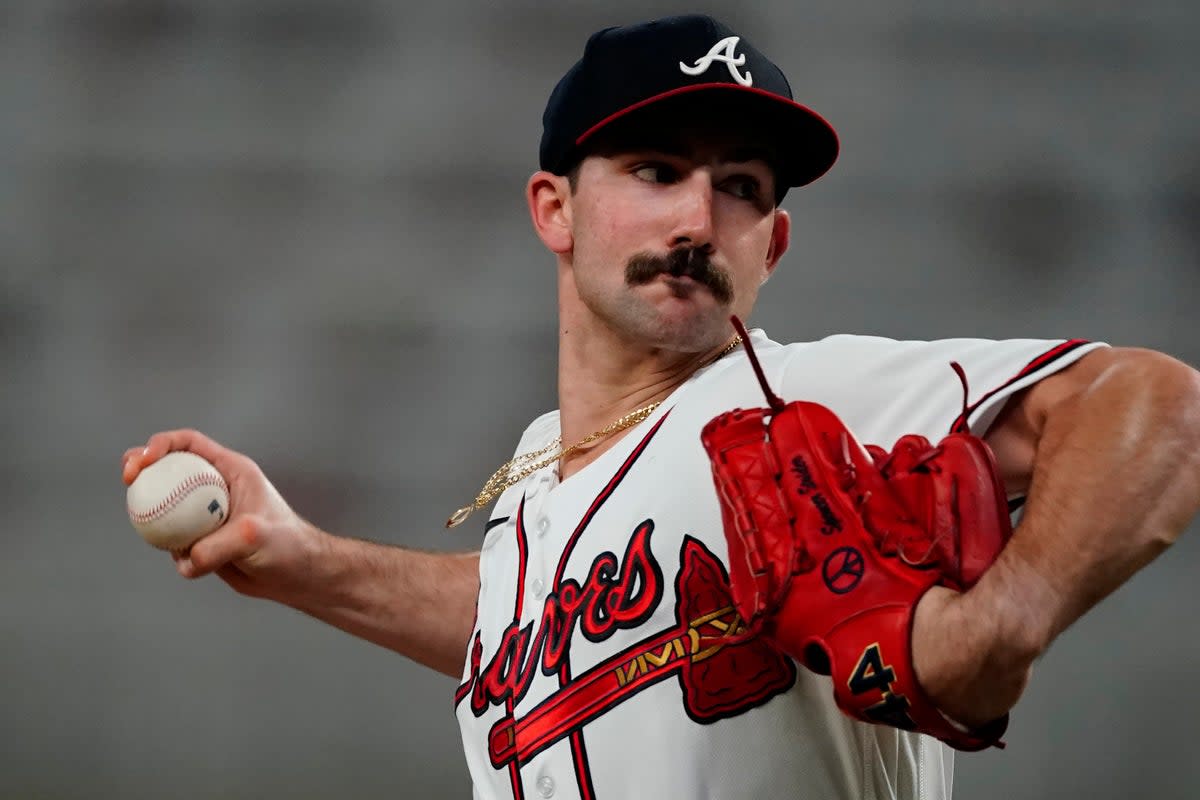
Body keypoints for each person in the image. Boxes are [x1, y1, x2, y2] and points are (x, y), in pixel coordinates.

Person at [122, 14, 1200, 800]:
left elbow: (1161, 402)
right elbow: (531, 617)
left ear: (772, 245)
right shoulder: (545, 464)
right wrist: (308, 560)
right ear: (555, 208)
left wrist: (1001, 621)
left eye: (742, 187)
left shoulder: (807, 402)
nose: (699, 215)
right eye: (655, 167)